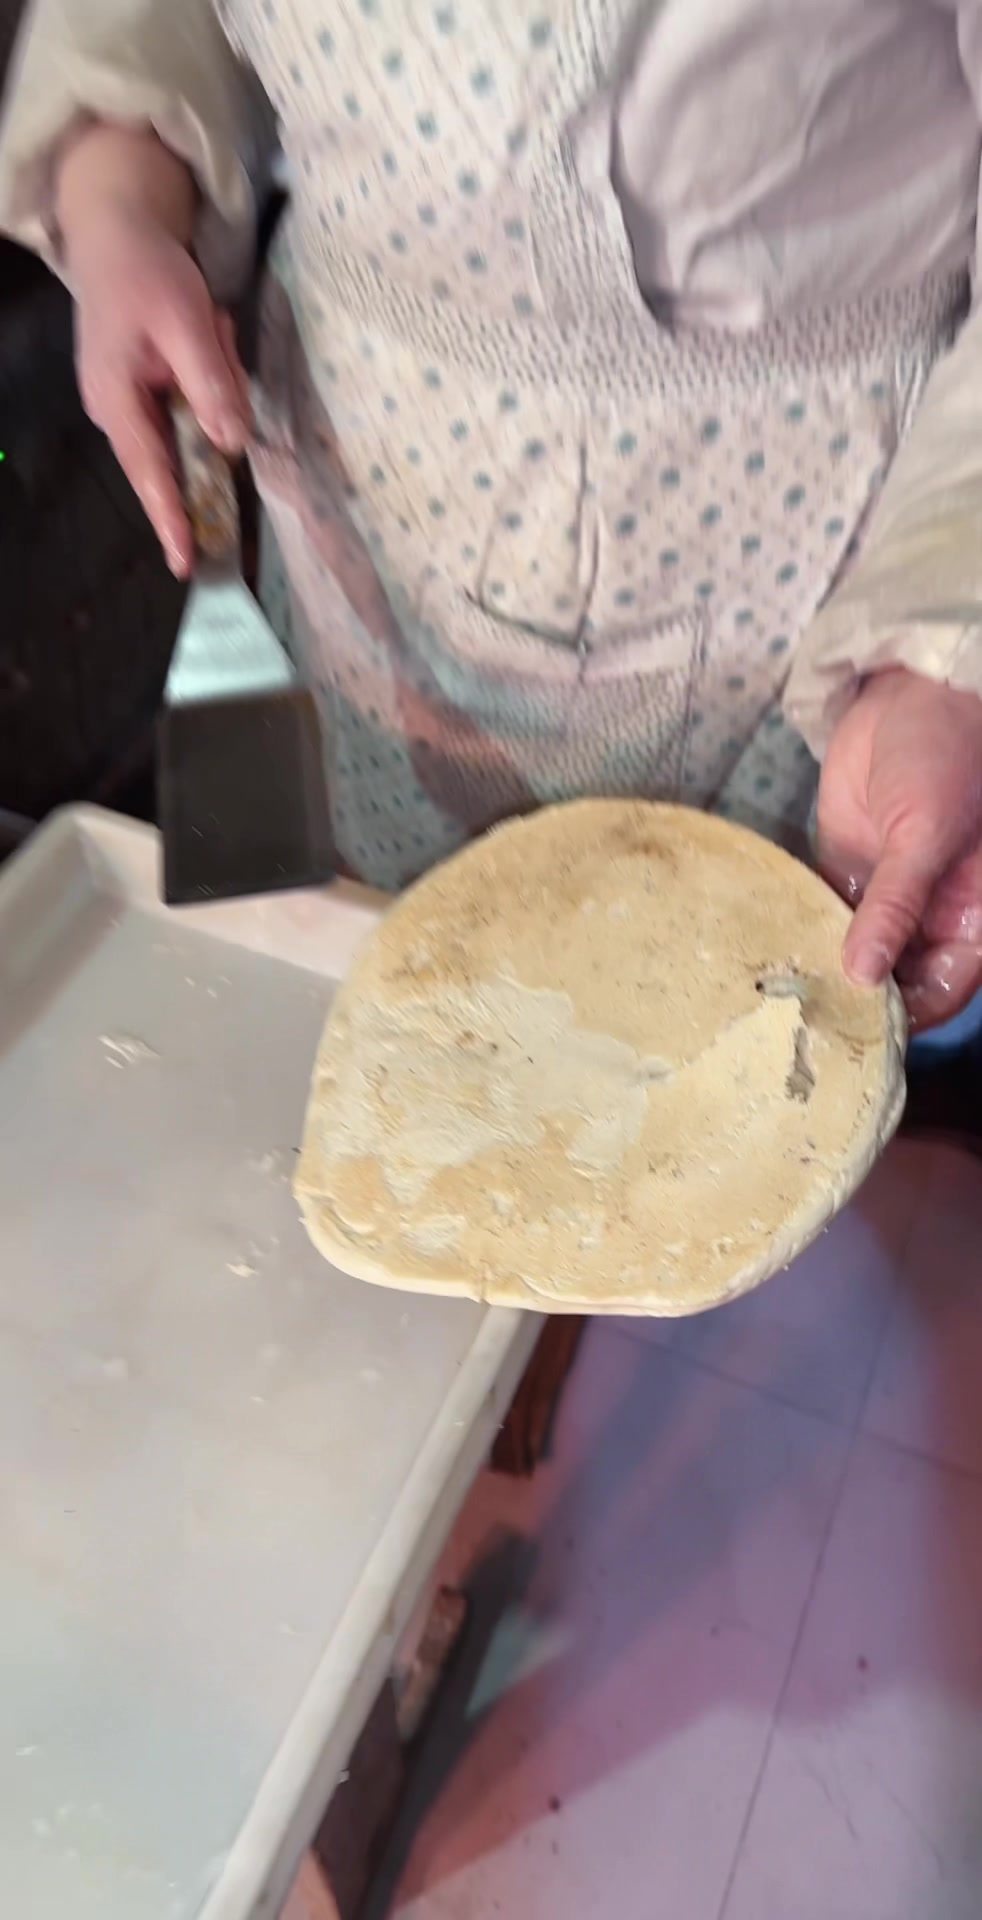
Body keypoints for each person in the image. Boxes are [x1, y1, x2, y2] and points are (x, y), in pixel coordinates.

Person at [1, 0, 981, 1032]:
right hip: (364, 486)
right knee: (395, 992)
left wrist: (941, 660)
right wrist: (119, 196)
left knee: (724, 1024)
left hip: (812, 557)